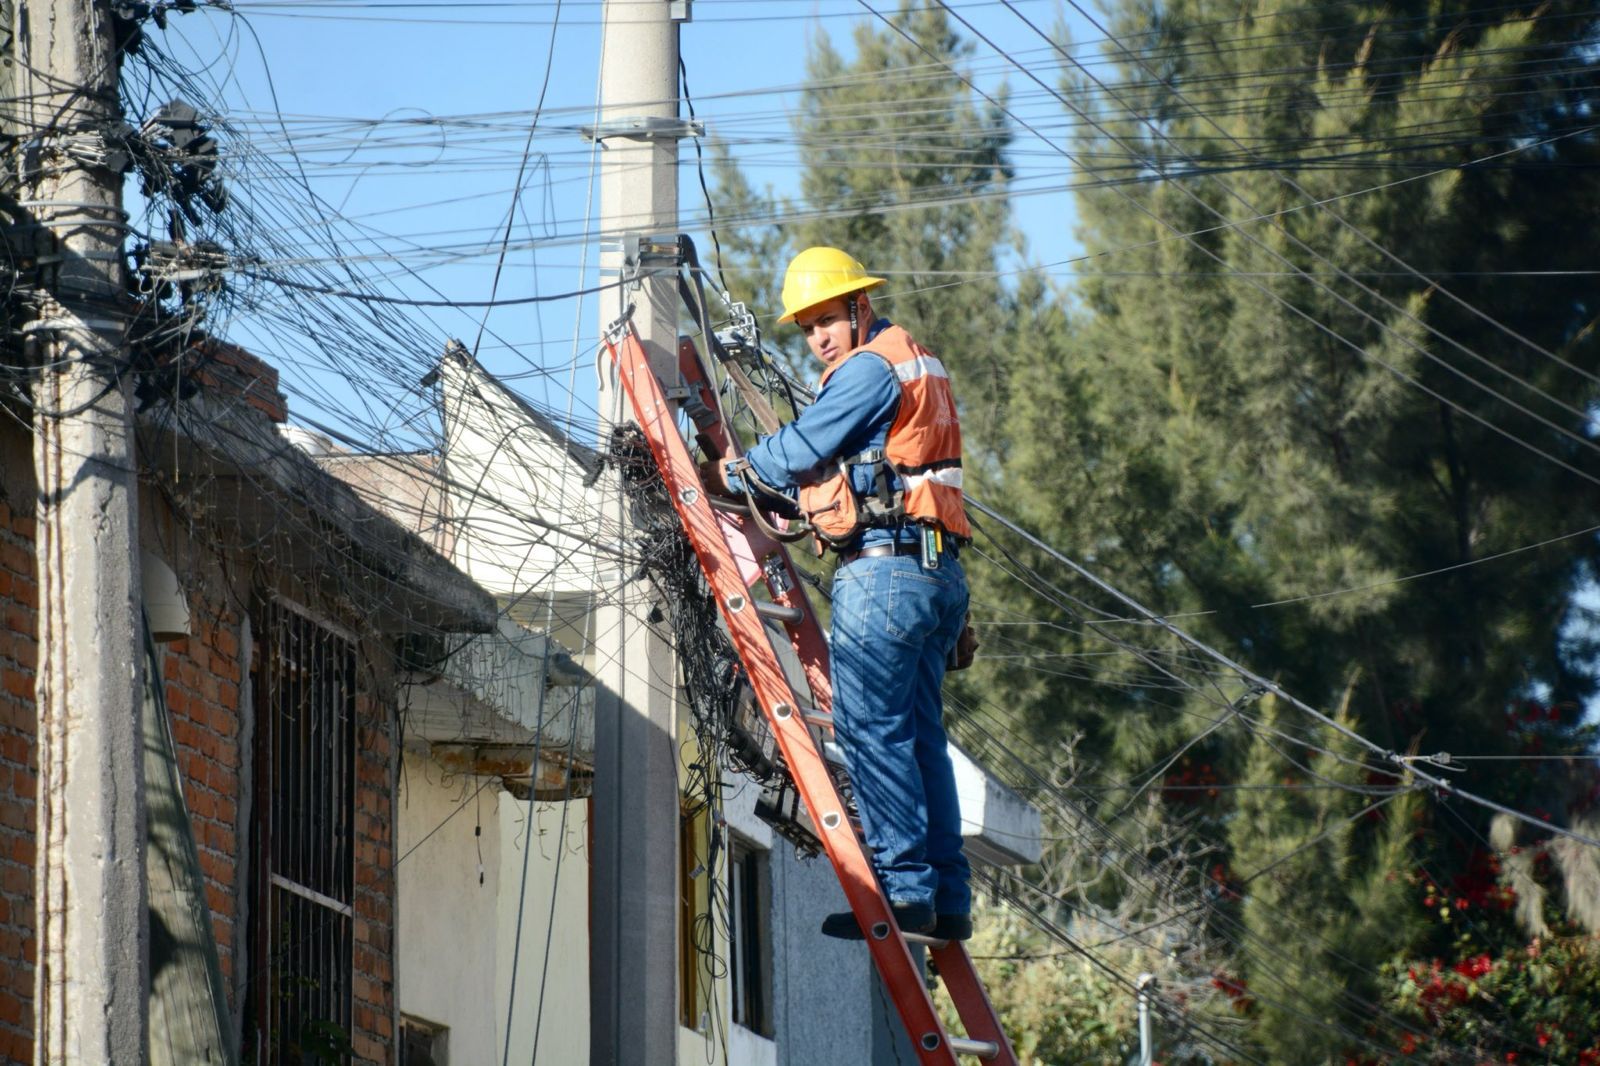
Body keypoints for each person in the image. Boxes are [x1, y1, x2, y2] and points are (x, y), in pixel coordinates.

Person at [699, 246, 974, 942]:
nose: (819, 338)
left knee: (871, 731)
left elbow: (800, 448)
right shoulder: (914, 360)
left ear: (860, 307)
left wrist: (734, 473)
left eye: (827, 320)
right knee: (919, 739)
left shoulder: (868, 370)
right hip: (935, 574)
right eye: (807, 327)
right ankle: (947, 898)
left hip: (883, 574)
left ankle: (903, 892)